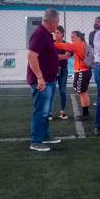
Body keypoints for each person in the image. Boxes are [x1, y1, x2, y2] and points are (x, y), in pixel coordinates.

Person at [27, 8, 61, 152]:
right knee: (41, 111)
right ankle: (36, 141)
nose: (58, 25)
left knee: (46, 111)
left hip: (49, 79)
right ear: (52, 21)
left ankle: (45, 135)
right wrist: (40, 78)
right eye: (58, 21)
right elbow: (31, 56)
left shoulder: (46, 34)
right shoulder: (40, 34)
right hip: (43, 81)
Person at [54, 31, 93, 121]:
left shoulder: (78, 44)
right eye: (71, 37)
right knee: (84, 92)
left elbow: (63, 46)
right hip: (86, 71)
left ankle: (86, 114)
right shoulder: (85, 44)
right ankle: (86, 113)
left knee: (82, 93)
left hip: (81, 72)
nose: (72, 39)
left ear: (79, 37)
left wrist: (51, 43)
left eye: (73, 37)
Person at [48, 26, 71, 121]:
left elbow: (67, 56)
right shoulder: (51, 44)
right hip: (52, 70)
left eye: (58, 33)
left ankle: (62, 112)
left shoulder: (67, 45)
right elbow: (50, 56)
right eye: (55, 33)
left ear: (62, 34)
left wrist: (56, 56)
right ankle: (49, 113)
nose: (56, 34)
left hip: (63, 70)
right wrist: (60, 56)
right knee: (51, 92)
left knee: (63, 91)